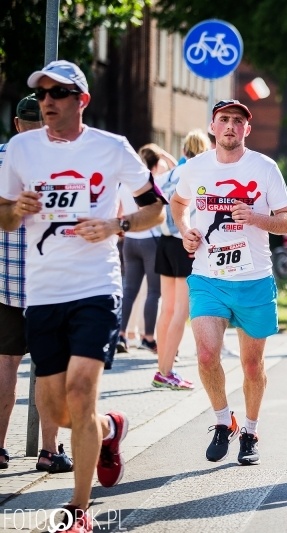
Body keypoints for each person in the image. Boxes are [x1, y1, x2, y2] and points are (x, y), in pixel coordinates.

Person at [0, 60, 166, 530]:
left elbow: (154, 208)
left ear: (82, 101)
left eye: (58, 93)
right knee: (56, 409)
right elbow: (3, 217)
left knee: (79, 391)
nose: (47, 101)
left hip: (96, 287)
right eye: (42, 94)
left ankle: (79, 509)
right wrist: (16, 209)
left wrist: (117, 224)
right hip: (42, 292)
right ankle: (110, 428)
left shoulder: (111, 148)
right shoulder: (21, 148)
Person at [170, 99, 287, 466]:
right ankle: (224, 421)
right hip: (208, 277)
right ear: (213, 126)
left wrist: (256, 217)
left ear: (247, 129)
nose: (230, 126)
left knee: (252, 365)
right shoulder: (195, 167)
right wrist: (185, 231)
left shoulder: (264, 168)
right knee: (206, 355)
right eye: (224, 119)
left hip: (253, 279)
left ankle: (251, 431)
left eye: (238, 121)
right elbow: (178, 203)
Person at [0, 94, 73, 474]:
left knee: (5, 365)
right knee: (50, 365)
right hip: (49, 284)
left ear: (16, 124)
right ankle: (49, 450)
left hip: (5, 283)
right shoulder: (60, 164)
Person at [152, 129, 212, 390]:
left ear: (184, 150)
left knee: (166, 308)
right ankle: (166, 371)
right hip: (184, 242)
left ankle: (162, 368)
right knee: (180, 310)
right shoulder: (200, 173)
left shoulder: (167, 175)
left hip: (164, 241)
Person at [115, 143, 169, 355]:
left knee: (129, 290)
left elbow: (119, 214)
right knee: (154, 292)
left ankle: (121, 335)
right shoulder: (150, 183)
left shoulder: (124, 185)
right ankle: (148, 338)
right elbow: (151, 213)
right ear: (155, 165)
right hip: (149, 240)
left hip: (129, 242)